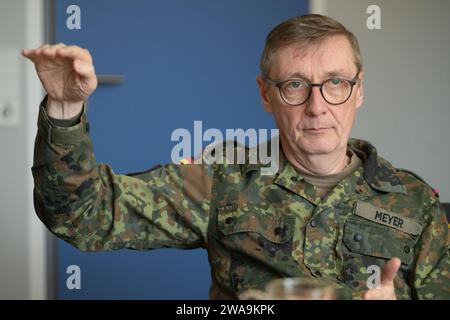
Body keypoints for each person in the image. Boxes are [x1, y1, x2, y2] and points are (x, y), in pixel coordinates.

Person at [23, 14, 449, 300]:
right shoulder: (221, 180)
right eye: (295, 85)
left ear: (358, 91)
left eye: (335, 83)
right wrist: (64, 109)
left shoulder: (415, 202)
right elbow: (84, 214)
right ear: (266, 94)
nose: (317, 107)